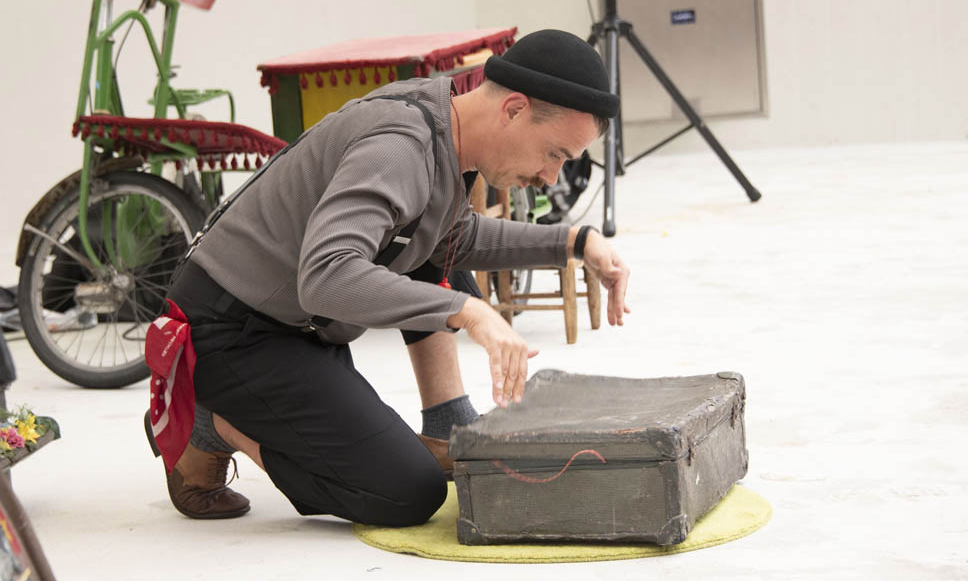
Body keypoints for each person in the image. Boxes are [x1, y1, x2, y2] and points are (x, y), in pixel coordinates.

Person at [145, 29, 631, 526]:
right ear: (514, 109)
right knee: (406, 492)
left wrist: (574, 242)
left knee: (431, 254)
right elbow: (326, 275)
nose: (551, 177)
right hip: (228, 335)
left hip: (299, 331)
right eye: (555, 154)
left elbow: (453, 237)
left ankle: (444, 421)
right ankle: (211, 423)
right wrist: (468, 311)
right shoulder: (401, 146)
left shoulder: (446, 123)